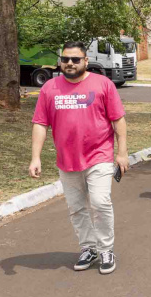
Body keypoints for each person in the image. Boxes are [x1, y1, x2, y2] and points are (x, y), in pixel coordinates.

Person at [28, 41, 129, 275]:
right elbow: (40, 123)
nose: (70, 63)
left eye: (75, 59)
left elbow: (118, 120)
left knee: (100, 202)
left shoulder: (103, 84)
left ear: (85, 61)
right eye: (65, 59)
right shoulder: (50, 88)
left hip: (99, 155)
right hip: (67, 159)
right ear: (60, 62)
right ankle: (88, 248)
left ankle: (105, 249)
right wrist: (35, 157)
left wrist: (121, 153)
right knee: (76, 208)